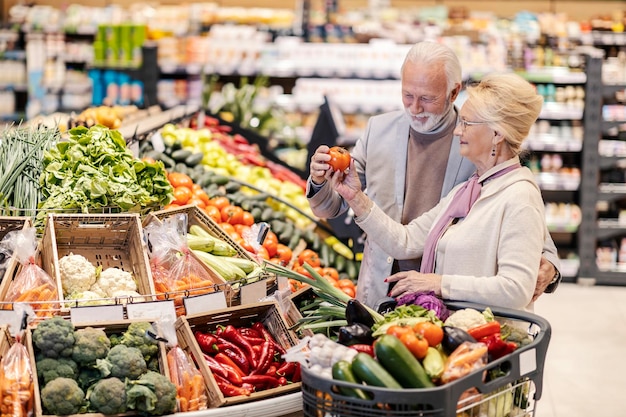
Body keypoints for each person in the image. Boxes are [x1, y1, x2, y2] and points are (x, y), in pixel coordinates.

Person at [306, 41, 561, 309]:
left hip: (450, 299)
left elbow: (526, 222)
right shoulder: (379, 131)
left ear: (453, 93)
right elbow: (344, 208)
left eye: (427, 98)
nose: (415, 108)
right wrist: (322, 181)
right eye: (408, 95)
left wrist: (550, 266)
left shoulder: (478, 143)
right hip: (383, 283)